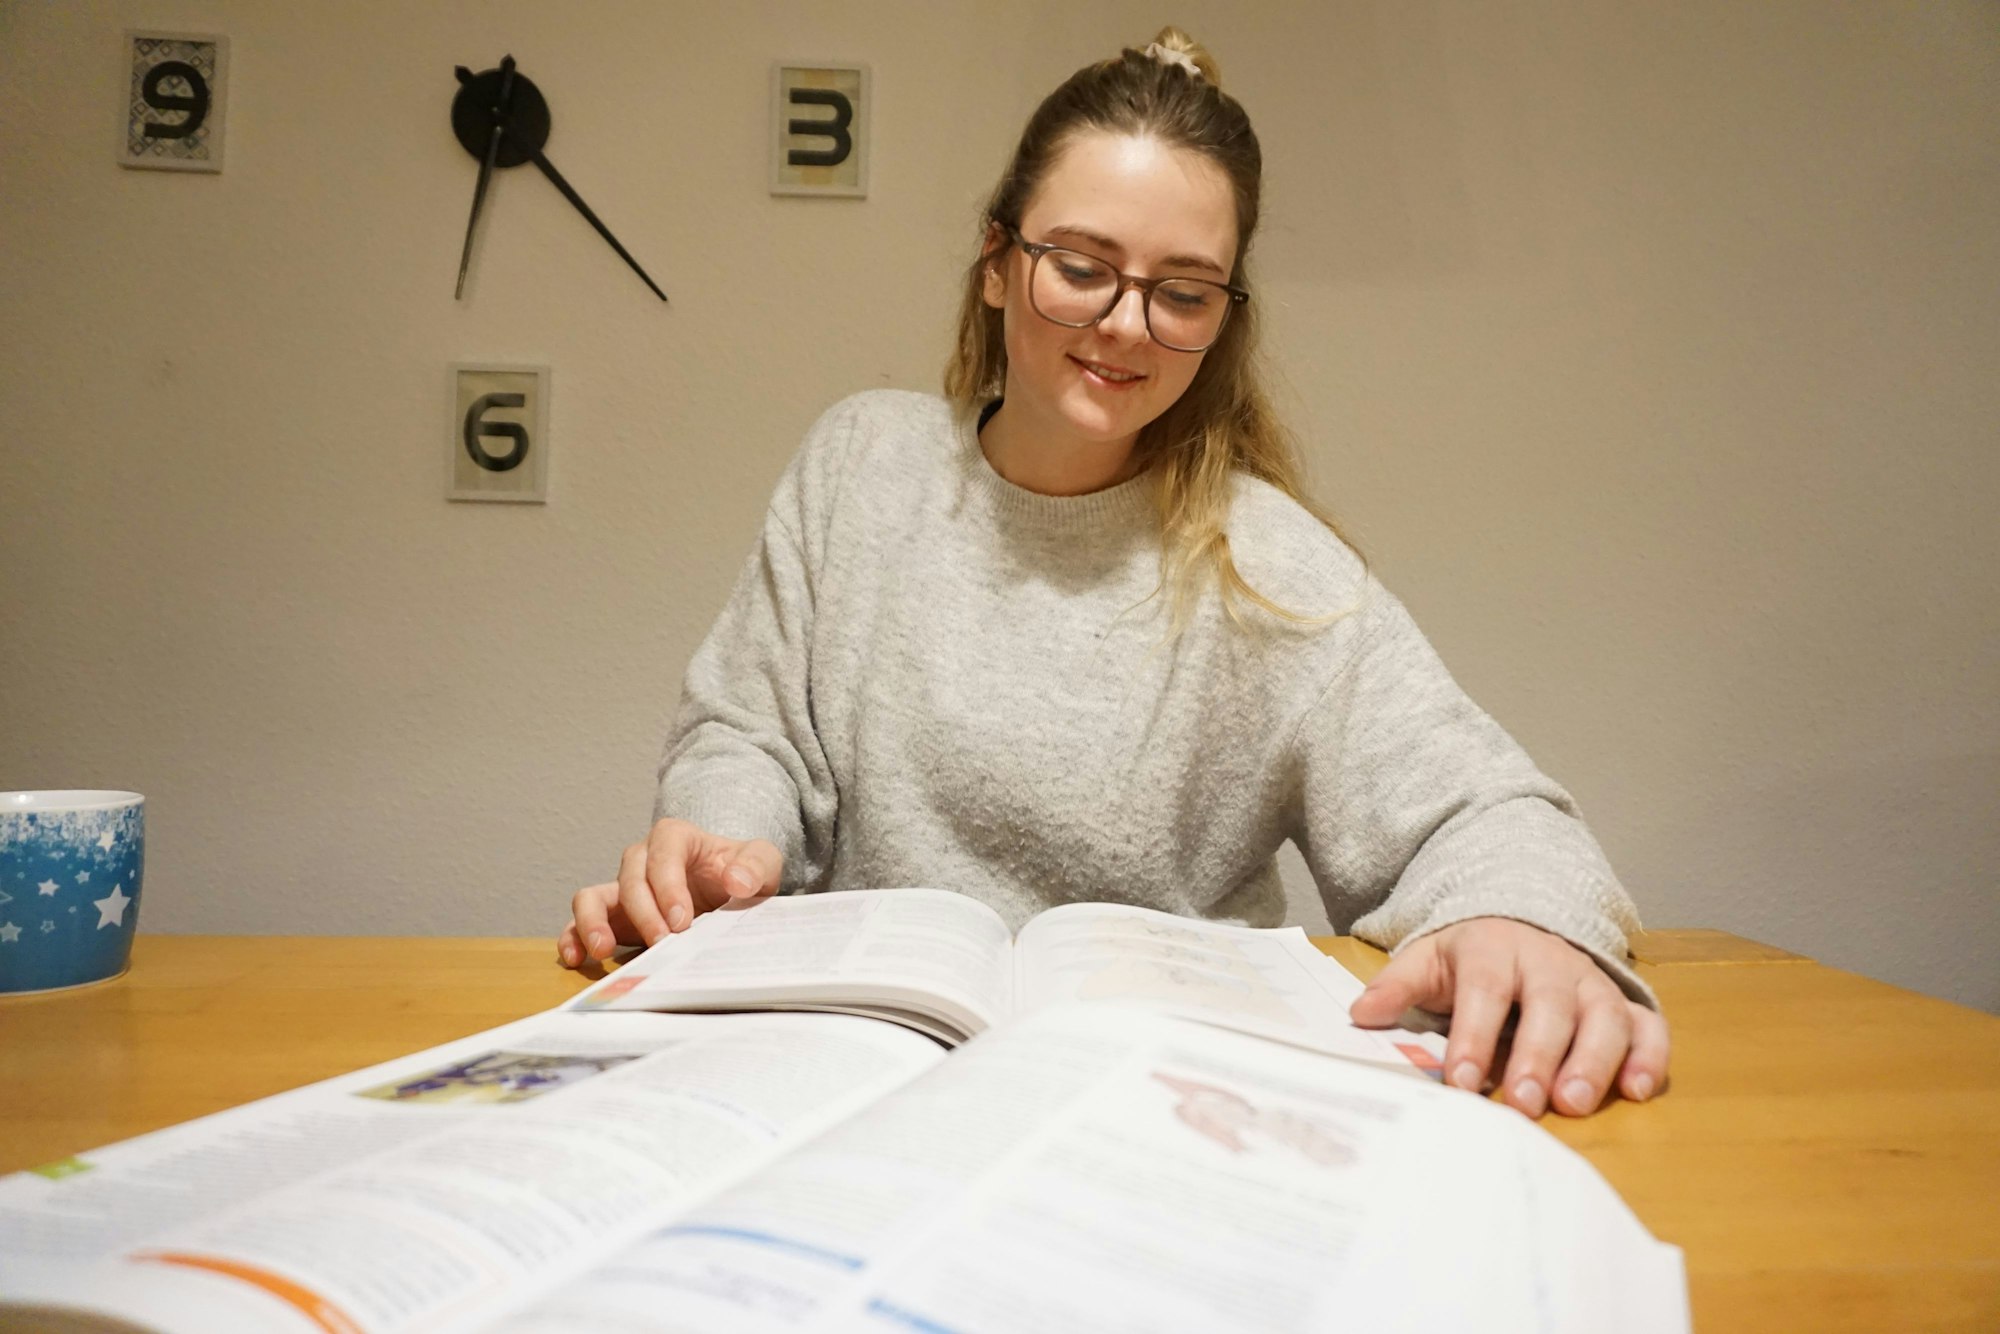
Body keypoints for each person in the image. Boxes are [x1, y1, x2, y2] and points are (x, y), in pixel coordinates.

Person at [559, 28, 1670, 1119]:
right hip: (861, 1081)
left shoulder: (1267, 563)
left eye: (1182, 292)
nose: (1125, 325)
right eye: (1080, 268)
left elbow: (1486, 814)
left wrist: (1523, 920)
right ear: (996, 263)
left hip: (1157, 1109)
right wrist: (722, 844)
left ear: (1225, 315)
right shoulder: (861, 462)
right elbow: (746, 730)